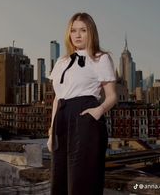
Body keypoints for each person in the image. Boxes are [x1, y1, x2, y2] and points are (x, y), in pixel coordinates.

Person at [47, 12, 117, 195]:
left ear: (91, 32)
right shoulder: (62, 62)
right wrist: (50, 131)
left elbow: (112, 96)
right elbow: (57, 98)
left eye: (83, 30)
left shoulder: (100, 58)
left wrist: (98, 111)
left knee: (83, 179)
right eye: (73, 30)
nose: (77, 35)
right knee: (59, 178)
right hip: (61, 119)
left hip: (85, 117)